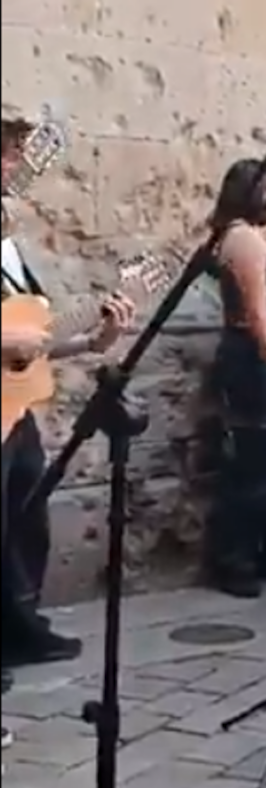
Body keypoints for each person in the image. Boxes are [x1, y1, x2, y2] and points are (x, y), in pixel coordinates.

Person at [2, 115, 135, 669]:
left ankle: (19, 630)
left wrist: (93, 340)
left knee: (25, 520)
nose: (16, 165)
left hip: (13, 410)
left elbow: (31, 342)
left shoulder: (10, 246)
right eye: (8, 154)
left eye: (16, 153)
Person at [200, 158, 266, 599]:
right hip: (252, 355)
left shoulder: (239, 234)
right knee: (256, 461)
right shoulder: (242, 238)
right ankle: (235, 560)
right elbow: (256, 313)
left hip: (253, 351)